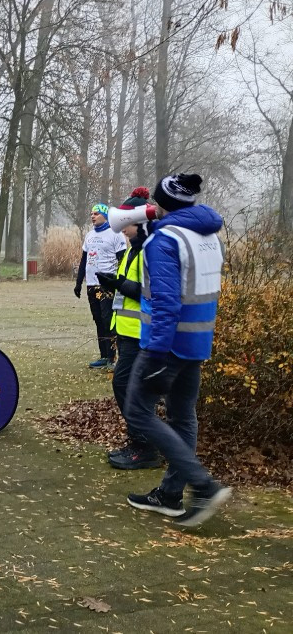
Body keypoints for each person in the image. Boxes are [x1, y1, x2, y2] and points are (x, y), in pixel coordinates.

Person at [124, 174, 231, 528]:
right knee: (183, 417)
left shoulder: (167, 238)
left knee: (138, 411)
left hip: (166, 345)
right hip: (196, 343)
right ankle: (170, 496)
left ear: (160, 204)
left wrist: (155, 354)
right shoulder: (207, 235)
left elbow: (168, 300)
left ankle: (203, 486)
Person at [95, 188, 159, 470]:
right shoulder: (135, 249)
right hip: (128, 331)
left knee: (126, 385)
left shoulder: (148, 250)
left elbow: (151, 291)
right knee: (130, 386)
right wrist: (114, 283)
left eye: (127, 225)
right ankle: (141, 442)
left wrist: (117, 284)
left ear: (139, 224)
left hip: (140, 334)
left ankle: (145, 445)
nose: (122, 231)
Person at [75, 203, 127, 368]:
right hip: (92, 284)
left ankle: (112, 357)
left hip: (107, 285)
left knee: (107, 320)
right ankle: (104, 356)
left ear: (105, 215)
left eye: (96, 213)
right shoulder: (89, 235)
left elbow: (122, 259)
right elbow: (84, 260)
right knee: (98, 320)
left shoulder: (115, 233)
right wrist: (78, 282)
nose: (93, 216)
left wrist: (120, 282)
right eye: (91, 214)